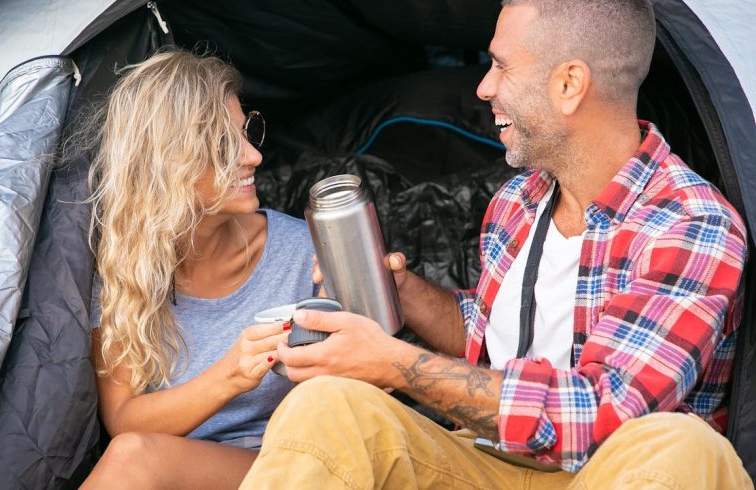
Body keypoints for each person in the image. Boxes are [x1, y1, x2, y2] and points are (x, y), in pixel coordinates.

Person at [240, 1, 753, 488]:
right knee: (330, 405)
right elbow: (488, 343)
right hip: (484, 462)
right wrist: (401, 290)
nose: (483, 88)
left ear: (569, 83)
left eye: (502, 66)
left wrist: (393, 363)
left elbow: (603, 413)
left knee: (682, 445)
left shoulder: (690, 223)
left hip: (608, 474)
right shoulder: (518, 201)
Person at [78, 50, 314, 489]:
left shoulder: (301, 252)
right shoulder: (127, 268)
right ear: (169, 164)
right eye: (225, 145)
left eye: (247, 134)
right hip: (182, 472)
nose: (253, 157)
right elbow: (123, 419)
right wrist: (230, 374)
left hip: (291, 464)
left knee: (134, 461)